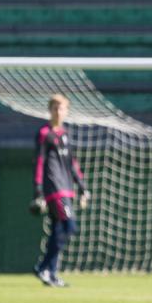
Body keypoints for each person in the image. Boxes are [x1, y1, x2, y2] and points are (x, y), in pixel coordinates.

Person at [31, 94, 89, 288]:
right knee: (69, 226)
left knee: (58, 230)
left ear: (66, 111)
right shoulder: (44, 133)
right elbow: (39, 162)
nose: (58, 111)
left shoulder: (65, 134)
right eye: (54, 108)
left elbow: (72, 163)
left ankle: (51, 273)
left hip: (67, 188)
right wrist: (38, 190)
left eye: (61, 108)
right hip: (54, 188)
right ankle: (43, 267)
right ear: (50, 110)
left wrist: (82, 187)